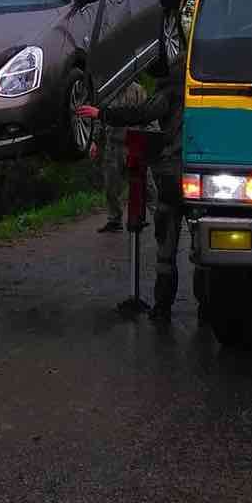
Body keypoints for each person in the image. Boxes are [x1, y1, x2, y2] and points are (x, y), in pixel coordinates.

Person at [79, 35, 187, 320]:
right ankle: (206, 308)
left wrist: (102, 114)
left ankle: (162, 308)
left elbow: (144, 113)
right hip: (204, 174)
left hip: (173, 170)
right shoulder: (204, 89)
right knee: (202, 244)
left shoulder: (167, 89)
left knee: (166, 245)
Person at [93, 80, 153, 232]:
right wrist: (94, 141)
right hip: (113, 145)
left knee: (146, 185)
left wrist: (151, 140)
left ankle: (156, 215)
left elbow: (148, 115)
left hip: (134, 144)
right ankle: (114, 219)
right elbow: (99, 117)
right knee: (111, 186)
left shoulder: (138, 90)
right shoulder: (107, 91)